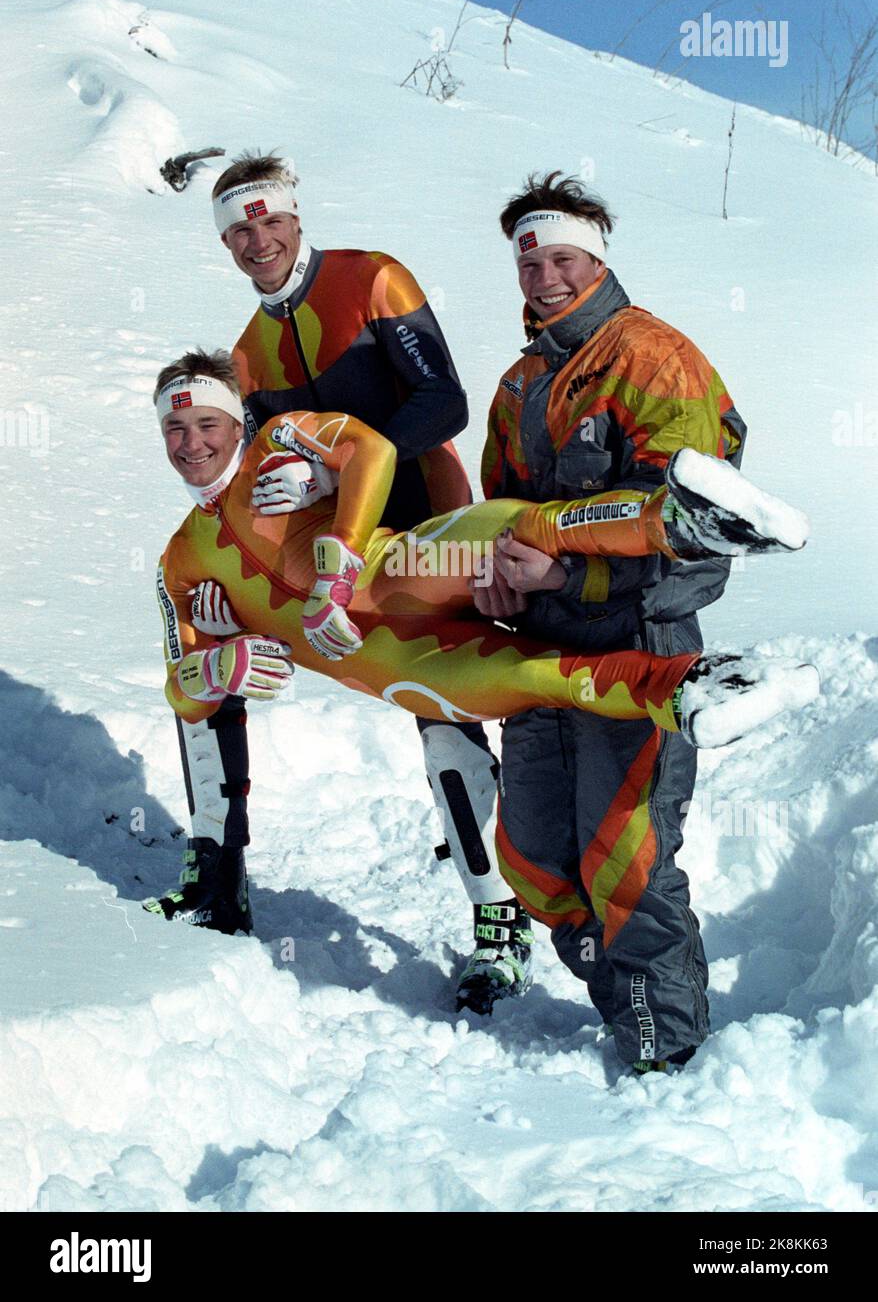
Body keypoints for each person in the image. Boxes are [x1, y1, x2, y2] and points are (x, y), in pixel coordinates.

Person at [144, 352, 817, 956]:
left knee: (516, 530)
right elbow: (185, 691)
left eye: (207, 423)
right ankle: (694, 687)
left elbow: (372, 450)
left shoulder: (275, 443)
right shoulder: (179, 559)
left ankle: (676, 521)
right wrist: (217, 666)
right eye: (175, 430)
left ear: (236, 424)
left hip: (395, 571)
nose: (190, 442)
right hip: (386, 659)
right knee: (539, 679)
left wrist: (335, 564)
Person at [197, 150, 531, 1012]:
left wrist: (336, 474)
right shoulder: (247, 351)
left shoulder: (372, 278)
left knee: (484, 711)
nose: (256, 237)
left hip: (435, 523)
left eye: (268, 218)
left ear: (296, 218)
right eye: (239, 227)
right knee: (439, 712)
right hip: (350, 560)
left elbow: (444, 403)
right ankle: (499, 904)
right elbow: (260, 468)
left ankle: (522, 899)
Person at [475, 171, 756, 1073]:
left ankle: (667, 1053)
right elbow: (499, 513)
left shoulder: (655, 359)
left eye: (563, 258)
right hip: (539, 658)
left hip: (638, 647)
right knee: (533, 858)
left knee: (626, 864)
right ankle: (624, 1004)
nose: (545, 276)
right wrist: (498, 580)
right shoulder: (520, 383)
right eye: (531, 261)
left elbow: (696, 537)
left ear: (597, 257)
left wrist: (568, 569)